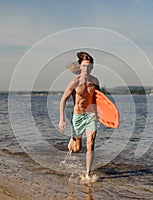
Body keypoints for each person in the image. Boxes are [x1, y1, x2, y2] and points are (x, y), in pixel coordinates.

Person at [58, 51, 100, 179]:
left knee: (91, 143)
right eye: (84, 66)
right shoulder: (74, 82)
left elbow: (100, 99)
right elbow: (63, 100)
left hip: (91, 115)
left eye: (89, 66)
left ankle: (88, 173)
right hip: (78, 116)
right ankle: (73, 140)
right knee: (76, 149)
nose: (87, 68)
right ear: (80, 66)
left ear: (92, 67)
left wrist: (103, 114)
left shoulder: (95, 81)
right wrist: (62, 120)